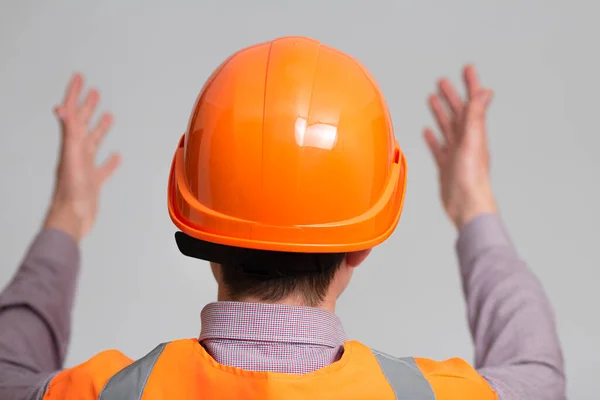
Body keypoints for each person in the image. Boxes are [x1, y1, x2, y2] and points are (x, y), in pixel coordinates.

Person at [0, 36, 565, 400]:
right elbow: (539, 375)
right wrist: (474, 206)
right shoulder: (430, 396)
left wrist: (66, 216)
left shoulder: (105, 394)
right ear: (362, 245)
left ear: (199, 227)